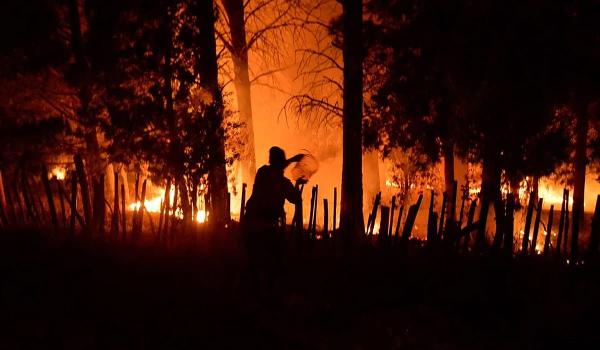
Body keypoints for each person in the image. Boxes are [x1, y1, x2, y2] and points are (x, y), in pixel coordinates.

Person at [242, 146, 304, 297]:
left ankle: (256, 295)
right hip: (267, 228)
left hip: (252, 225)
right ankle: (267, 295)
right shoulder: (282, 182)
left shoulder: (263, 173)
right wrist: (298, 182)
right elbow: (296, 199)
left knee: (255, 263)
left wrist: (292, 160)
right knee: (271, 263)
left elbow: (277, 168)